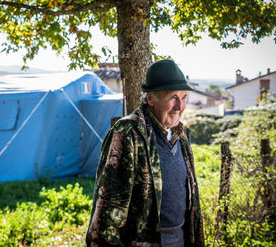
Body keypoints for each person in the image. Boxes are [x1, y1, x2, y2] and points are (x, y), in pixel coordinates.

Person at [86, 59, 205, 247]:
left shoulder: (183, 136)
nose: (179, 106)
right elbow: (106, 217)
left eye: (183, 97)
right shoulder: (127, 133)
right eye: (173, 97)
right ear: (150, 98)